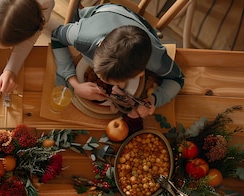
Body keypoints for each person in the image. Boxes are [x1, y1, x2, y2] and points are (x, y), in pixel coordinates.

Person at [51, 3, 185, 118]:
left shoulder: (155, 58)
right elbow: (56, 36)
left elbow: (178, 78)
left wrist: (153, 99)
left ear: (141, 73)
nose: (119, 87)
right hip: (101, 14)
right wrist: (75, 85)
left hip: (138, 25)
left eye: (119, 82)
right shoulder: (80, 36)